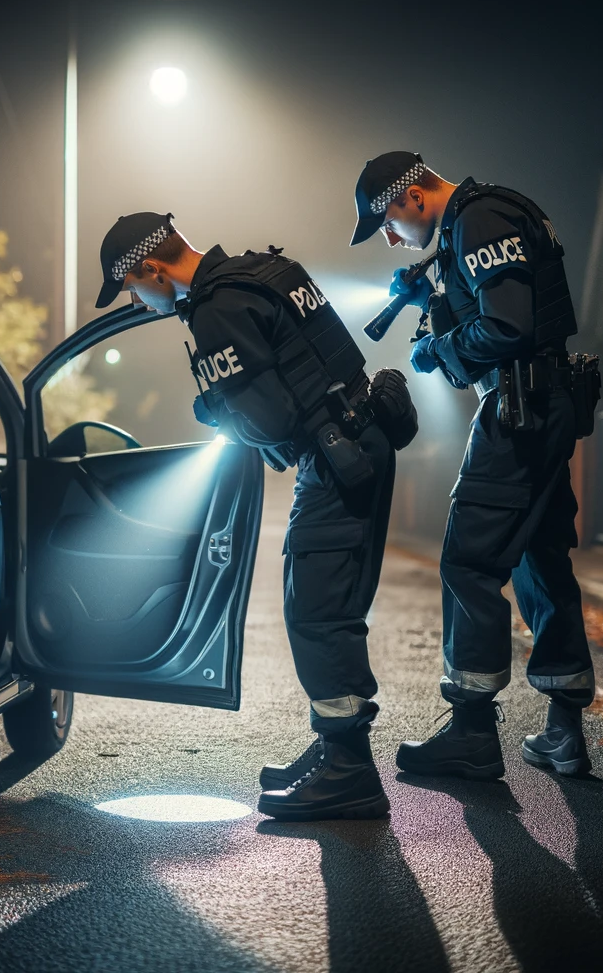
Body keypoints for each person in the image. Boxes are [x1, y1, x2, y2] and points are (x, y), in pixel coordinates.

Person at [96, 212, 418, 820]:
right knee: (332, 603)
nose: (138, 303)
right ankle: (334, 745)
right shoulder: (266, 271)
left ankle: (349, 769)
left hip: (334, 457)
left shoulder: (217, 309)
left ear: (152, 269)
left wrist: (213, 409)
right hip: (361, 436)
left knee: (318, 611)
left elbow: (268, 421)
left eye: (134, 289)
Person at [349, 151, 596, 777]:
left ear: (411, 195)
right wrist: (431, 303)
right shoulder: (475, 223)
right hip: (540, 402)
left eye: (385, 221)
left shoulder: (480, 220)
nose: (389, 237)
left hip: (520, 407)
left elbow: (507, 327)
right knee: (540, 558)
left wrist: (435, 347)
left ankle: (472, 731)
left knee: (468, 562)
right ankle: (565, 729)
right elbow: (499, 312)